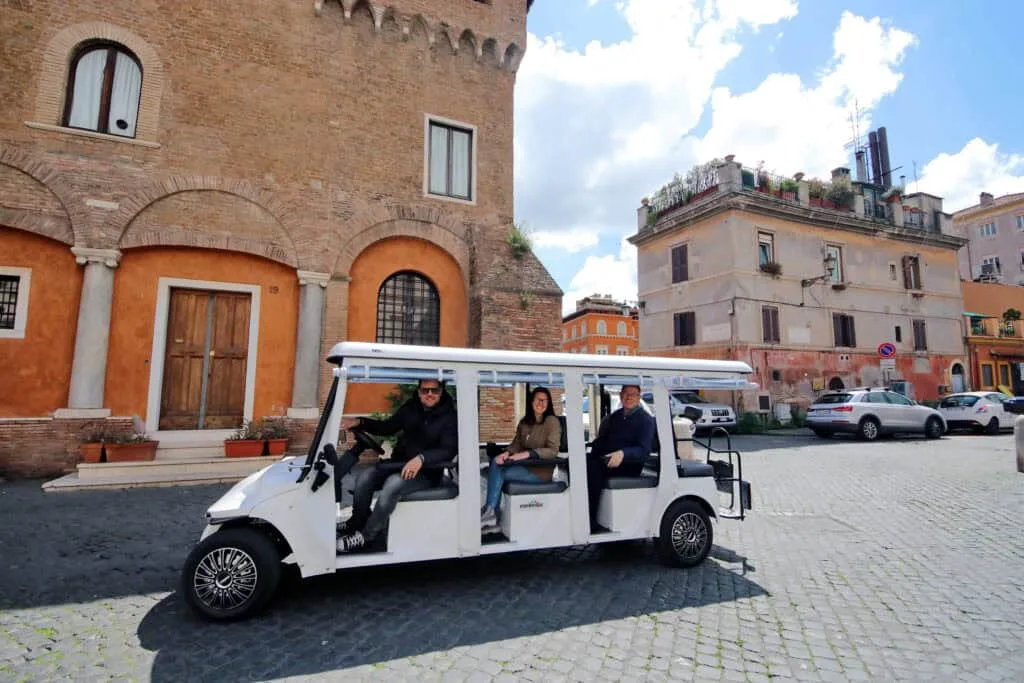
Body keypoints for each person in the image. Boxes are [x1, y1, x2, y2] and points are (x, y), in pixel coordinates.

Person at [335, 378, 458, 553]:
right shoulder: (411, 408)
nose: (429, 394)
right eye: (425, 390)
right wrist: (361, 422)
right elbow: (387, 427)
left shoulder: (449, 417)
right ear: (418, 392)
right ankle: (356, 522)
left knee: (393, 484)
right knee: (365, 476)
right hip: (399, 464)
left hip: (427, 472)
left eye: (434, 390)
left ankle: (367, 535)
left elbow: (448, 450)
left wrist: (421, 458)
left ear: (442, 391)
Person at [481, 386, 562, 532]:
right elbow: (516, 445)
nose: (541, 403)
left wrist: (528, 454)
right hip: (524, 467)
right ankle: (490, 511)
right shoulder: (525, 423)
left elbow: (552, 450)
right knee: (493, 464)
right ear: (531, 402)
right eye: (538, 400)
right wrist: (506, 453)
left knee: (499, 469)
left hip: (540, 472)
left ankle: (491, 513)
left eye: (545, 400)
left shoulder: (552, 422)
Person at [585, 384, 655, 531]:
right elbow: (603, 441)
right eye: (624, 394)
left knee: (593, 469)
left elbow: (643, 450)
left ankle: (590, 519)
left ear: (638, 396)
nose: (627, 397)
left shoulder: (646, 420)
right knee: (580, 463)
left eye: (632, 394)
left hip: (629, 464)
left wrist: (623, 453)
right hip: (608, 460)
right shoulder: (615, 417)